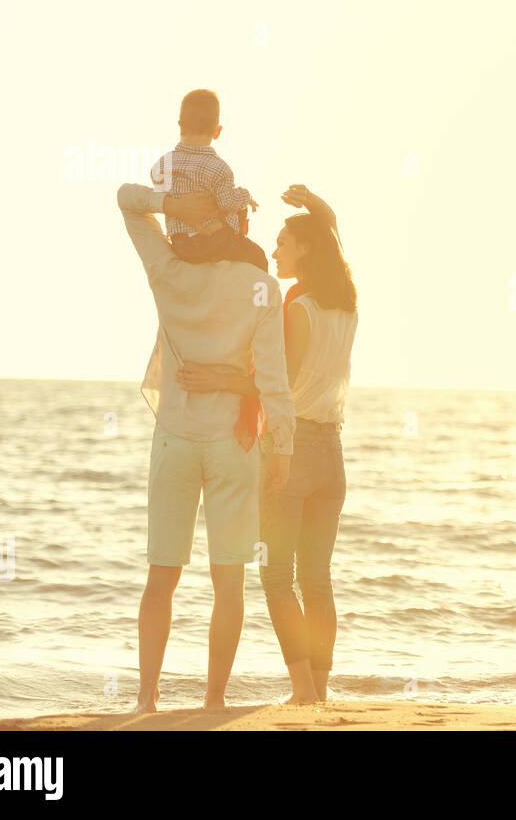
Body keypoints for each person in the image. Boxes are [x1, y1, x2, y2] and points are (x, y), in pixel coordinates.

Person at [117, 181, 296, 713]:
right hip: (233, 444)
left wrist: (173, 205)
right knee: (229, 581)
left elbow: (128, 203)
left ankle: (146, 700)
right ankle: (213, 700)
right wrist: (281, 447)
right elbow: (274, 379)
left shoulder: (168, 272)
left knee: (161, 576)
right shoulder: (263, 286)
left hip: (174, 437)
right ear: (242, 225)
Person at [176, 184, 358, 703]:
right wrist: (318, 205)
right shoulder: (344, 302)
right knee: (317, 578)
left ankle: (303, 689)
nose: (274, 251)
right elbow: (335, 241)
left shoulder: (298, 309)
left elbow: (275, 384)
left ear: (304, 249)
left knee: (278, 577)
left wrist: (215, 377)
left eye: (283, 242)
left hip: (294, 446)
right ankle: (319, 689)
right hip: (332, 453)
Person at [149, 89, 268, 271]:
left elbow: (161, 191)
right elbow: (226, 203)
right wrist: (245, 195)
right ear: (217, 131)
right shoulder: (219, 169)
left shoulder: (162, 165)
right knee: (258, 258)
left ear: (180, 125)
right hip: (213, 241)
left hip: (181, 245)